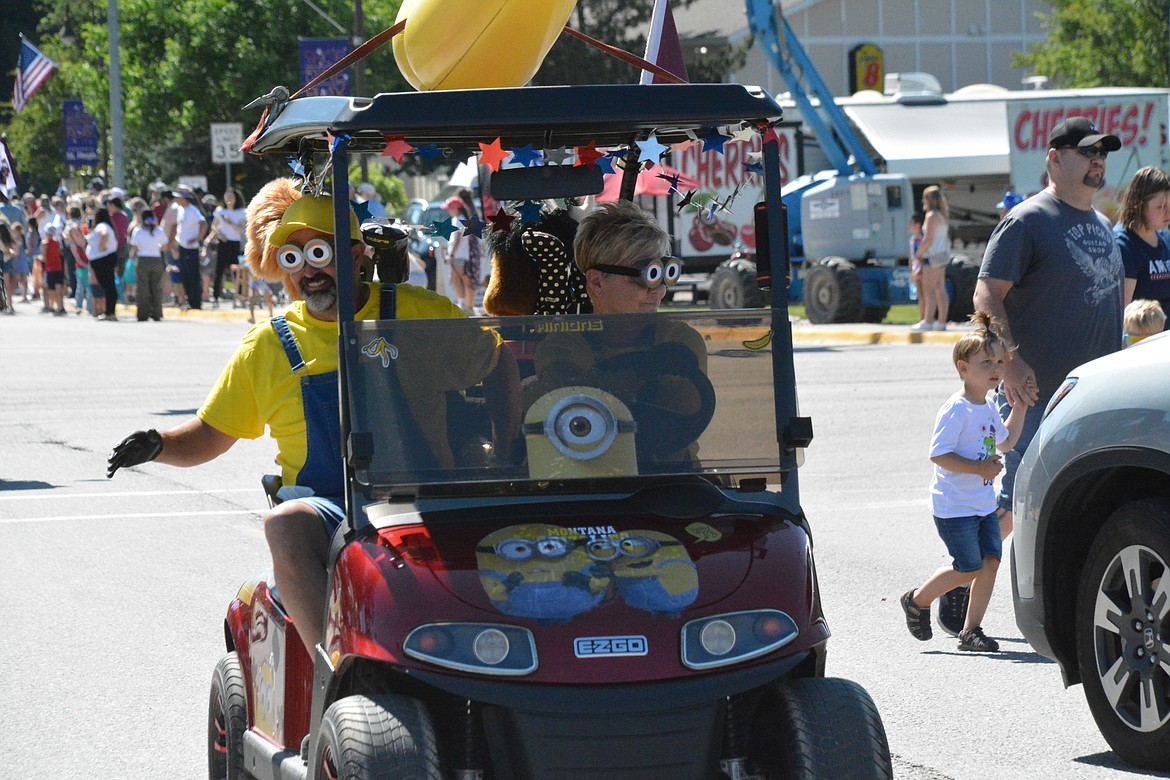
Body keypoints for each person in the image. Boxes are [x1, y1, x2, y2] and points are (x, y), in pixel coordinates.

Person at [106, 179, 519, 657]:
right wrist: (159, 444)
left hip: (424, 498)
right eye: (293, 259)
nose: (308, 272)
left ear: (357, 254)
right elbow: (212, 434)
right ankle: (336, 664)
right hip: (332, 509)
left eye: (319, 253)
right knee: (284, 523)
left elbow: (498, 359)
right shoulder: (268, 346)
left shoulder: (417, 314)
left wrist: (507, 450)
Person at [974, 116, 1124, 540]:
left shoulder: (1103, 225)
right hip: (1036, 398)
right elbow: (986, 293)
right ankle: (956, 585)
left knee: (1080, 509)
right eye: (1088, 151)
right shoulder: (1028, 221)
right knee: (1013, 507)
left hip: (1094, 397)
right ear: (1055, 159)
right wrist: (1011, 362)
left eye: (1102, 153)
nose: (1098, 160)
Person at [530, 201, 710, 466]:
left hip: (670, 478)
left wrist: (612, 385)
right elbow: (572, 405)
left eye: (664, 273)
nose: (658, 290)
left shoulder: (678, 340)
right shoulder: (563, 344)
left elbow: (679, 414)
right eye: (645, 275)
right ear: (597, 282)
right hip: (588, 480)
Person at [900, 311, 1026, 653]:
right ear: (963, 368)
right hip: (954, 506)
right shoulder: (956, 410)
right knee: (968, 566)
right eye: (987, 362)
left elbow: (1007, 442)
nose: (996, 369)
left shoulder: (987, 406)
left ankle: (971, 632)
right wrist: (979, 469)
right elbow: (939, 455)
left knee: (990, 564)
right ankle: (917, 599)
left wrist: (1022, 407)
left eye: (999, 361)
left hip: (983, 504)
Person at [1114, 165, 1170, 318]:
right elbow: (1123, 312)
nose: (1168, 213)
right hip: (1144, 338)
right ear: (1136, 204)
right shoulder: (1123, 245)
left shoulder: (1165, 236)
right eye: (1161, 207)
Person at [911, 185, 951, 332]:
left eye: (924, 198)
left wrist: (918, 254)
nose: (922, 201)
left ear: (929, 200)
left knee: (928, 289)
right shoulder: (942, 215)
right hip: (942, 255)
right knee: (940, 288)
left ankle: (927, 321)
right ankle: (941, 321)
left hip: (932, 256)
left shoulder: (931, 216)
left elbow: (927, 240)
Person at [207, 188, 247, 306]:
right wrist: (219, 235)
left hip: (234, 243)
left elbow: (242, 230)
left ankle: (239, 296)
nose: (229, 199)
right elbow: (214, 226)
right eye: (227, 196)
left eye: (231, 197)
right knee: (219, 271)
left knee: (236, 271)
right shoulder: (220, 211)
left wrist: (230, 223)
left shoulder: (241, 212)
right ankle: (216, 297)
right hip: (222, 242)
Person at [442, 195, 480, 313]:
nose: (448, 210)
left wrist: (451, 254)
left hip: (459, 255)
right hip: (460, 255)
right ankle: (464, 303)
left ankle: (463, 303)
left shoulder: (459, 220)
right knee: (458, 279)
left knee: (457, 279)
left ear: (456, 208)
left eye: (450, 208)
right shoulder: (458, 219)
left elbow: (458, 238)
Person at [172, 188, 207, 309]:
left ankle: (195, 302)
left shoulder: (193, 210)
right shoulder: (180, 210)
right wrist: (176, 244)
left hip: (191, 248)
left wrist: (198, 238)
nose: (177, 199)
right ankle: (188, 300)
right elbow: (180, 229)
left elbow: (203, 223)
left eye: (179, 197)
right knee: (184, 275)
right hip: (182, 247)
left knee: (193, 276)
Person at [129, 211, 167, 321]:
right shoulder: (159, 230)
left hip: (143, 260)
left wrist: (131, 256)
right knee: (156, 287)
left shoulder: (138, 231)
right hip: (156, 259)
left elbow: (134, 247)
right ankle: (156, 313)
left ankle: (142, 314)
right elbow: (165, 243)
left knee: (142, 288)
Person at [87, 207, 120, 321]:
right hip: (103, 259)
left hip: (103, 259)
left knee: (108, 286)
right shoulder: (106, 226)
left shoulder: (102, 226)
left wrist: (102, 247)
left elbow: (104, 234)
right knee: (108, 286)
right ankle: (109, 312)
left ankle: (110, 312)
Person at [40, 225, 67, 315]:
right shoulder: (57, 243)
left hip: (50, 268)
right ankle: (60, 306)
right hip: (58, 267)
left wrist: (37, 258)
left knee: (51, 289)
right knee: (58, 288)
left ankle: (51, 306)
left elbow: (44, 258)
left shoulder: (45, 243)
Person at [908, 212, 926, 324]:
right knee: (920, 294)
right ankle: (922, 317)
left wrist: (920, 267)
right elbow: (912, 256)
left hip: (922, 268)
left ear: (918, 224)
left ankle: (925, 317)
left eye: (911, 223)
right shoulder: (913, 239)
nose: (909, 226)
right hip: (916, 268)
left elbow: (920, 255)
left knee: (924, 294)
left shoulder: (921, 238)